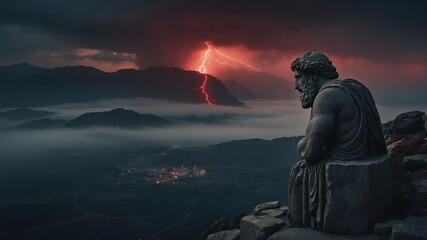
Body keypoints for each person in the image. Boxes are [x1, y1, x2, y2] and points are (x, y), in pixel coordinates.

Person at [288, 50, 387, 230]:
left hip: (344, 164)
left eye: (299, 77)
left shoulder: (326, 96)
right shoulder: (354, 87)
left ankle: (301, 223)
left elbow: (310, 153)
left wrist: (300, 143)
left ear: (314, 74)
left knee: (299, 173)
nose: (296, 85)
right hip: (366, 156)